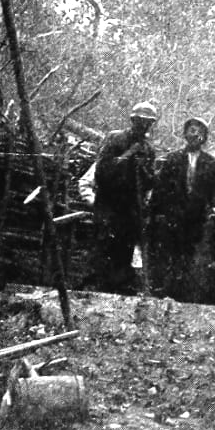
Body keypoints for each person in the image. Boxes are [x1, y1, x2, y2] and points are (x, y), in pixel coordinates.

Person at [147, 116, 215, 300]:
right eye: (191, 130)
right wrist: (154, 212)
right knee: (170, 253)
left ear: (204, 137)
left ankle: (186, 296)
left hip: (196, 218)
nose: (195, 134)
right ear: (185, 134)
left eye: (199, 131)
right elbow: (160, 188)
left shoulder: (210, 162)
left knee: (191, 256)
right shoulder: (173, 159)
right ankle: (165, 292)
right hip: (173, 217)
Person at [91, 101, 157, 294]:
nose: (143, 125)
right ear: (132, 120)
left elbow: (149, 183)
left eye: (148, 122)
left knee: (124, 254)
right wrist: (128, 155)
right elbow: (101, 172)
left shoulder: (148, 149)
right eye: (140, 120)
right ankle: (99, 291)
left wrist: (144, 169)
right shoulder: (115, 138)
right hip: (109, 207)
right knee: (104, 252)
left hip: (131, 210)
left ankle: (119, 292)